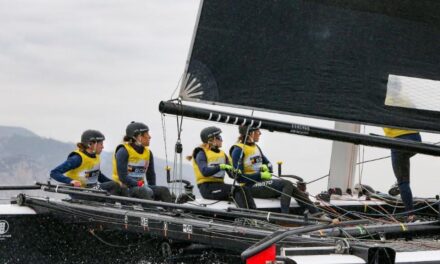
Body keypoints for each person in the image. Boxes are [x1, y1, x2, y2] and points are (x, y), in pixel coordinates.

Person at [230, 125, 320, 215]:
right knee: (287, 184)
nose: (260, 133)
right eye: (258, 131)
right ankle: (285, 216)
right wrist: (260, 175)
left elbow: (269, 165)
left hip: (262, 182)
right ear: (250, 133)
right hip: (249, 186)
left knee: (291, 186)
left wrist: (266, 167)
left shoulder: (256, 147)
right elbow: (239, 178)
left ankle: (315, 212)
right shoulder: (238, 150)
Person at [191, 126, 255, 209]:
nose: (222, 140)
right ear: (210, 140)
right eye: (219, 137)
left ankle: (254, 216)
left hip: (220, 186)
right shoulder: (201, 153)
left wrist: (236, 172)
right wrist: (220, 166)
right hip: (207, 188)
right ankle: (244, 216)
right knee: (237, 190)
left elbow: (231, 175)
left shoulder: (222, 155)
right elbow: (205, 172)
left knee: (245, 189)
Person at [112, 121, 172, 202]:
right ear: (139, 137)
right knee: (143, 191)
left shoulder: (148, 153)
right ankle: (152, 211)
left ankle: (171, 212)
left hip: (140, 187)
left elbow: (151, 175)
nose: (150, 137)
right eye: (147, 134)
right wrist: (140, 185)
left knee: (164, 190)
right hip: (125, 189)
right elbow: (123, 177)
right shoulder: (123, 151)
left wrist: (153, 192)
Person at [50, 130, 123, 195]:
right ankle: (110, 206)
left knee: (119, 186)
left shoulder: (95, 156)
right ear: (90, 144)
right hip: (80, 193)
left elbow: (98, 176)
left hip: (91, 190)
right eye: (101, 144)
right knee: (114, 185)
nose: (103, 147)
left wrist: (118, 184)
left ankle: (127, 207)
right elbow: (54, 173)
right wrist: (71, 181)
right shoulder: (77, 159)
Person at [383, 127, 421, 221]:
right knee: (403, 160)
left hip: (398, 141)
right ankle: (399, 183)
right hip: (416, 138)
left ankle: (411, 215)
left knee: (403, 182)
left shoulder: (385, 111)